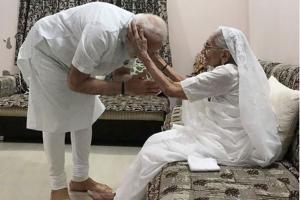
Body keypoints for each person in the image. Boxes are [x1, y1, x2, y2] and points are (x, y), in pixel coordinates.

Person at [89, 25, 282, 200]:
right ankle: (121, 196)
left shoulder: (227, 74)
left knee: (154, 151)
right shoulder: (229, 71)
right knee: (154, 142)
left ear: (224, 55)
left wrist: (143, 55)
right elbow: (185, 83)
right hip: (225, 135)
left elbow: (174, 90)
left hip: (229, 144)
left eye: (208, 47)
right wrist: (155, 57)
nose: (203, 52)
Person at [17, 2, 167, 200]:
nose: (148, 56)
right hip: (48, 51)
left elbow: (118, 74)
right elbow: (76, 83)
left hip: (73, 63)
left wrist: (133, 83)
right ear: (136, 35)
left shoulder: (136, 34)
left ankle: (80, 178)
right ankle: (57, 187)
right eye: (147, 51)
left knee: (85, 115)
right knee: (55, 120)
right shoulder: (103, 31)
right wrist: (126, 89)